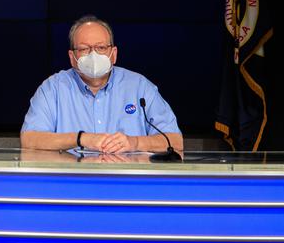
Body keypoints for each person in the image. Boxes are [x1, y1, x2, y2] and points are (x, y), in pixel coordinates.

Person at [20, 15, 183, 154]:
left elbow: (175, 142)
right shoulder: (53, 88)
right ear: (72, 57)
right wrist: (81, 138)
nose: (93, 54)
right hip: (71, 183)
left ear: (114, 54)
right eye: (84, 49)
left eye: (101, 47)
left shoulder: (140, 87)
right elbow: (29, 139)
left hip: (128, 184)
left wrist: (135, 143)